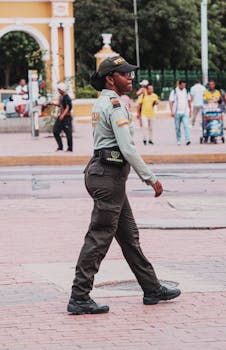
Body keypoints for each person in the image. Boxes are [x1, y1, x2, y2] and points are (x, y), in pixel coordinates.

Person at [67, 56, 181, 315]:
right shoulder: (115, 105)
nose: (130, 78)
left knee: (129, 236)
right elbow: (127, 147)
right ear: (110, 78)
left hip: (107, 175)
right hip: (108, 176)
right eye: (124, 74)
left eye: (130, 74)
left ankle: (151, 288)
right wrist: (150, 177)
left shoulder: (103, 102)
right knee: (99, 236)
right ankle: (79, 295)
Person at [169, 80, 192, 145]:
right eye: (182, 85)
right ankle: (178, 140)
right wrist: (171, 111)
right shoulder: (174, 91)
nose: (184, 86)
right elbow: (171, 101)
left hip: (185, 112)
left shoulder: (186, 91)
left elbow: (189, 101)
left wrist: (190, 111)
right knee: (177, 127)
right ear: (179, 84)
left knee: (186, 126)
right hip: (177, 112)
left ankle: (187, 139)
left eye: (184, 85)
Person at [53, 82, 73, 152]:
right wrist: (53, 104)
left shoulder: (67, 97)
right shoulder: (61, 97)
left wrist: (63, 115)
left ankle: (70, 148)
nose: (58, 91)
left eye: (59, 90)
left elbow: (67, 107)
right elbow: (61, 105)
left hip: (66, 117)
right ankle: (60, 146)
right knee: (55, 131)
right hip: (61, 116)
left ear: (62, 90)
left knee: (68, 133)